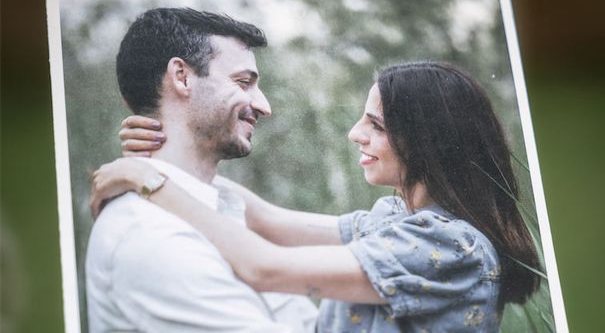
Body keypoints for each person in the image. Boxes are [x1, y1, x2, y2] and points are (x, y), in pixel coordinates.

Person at [92, 60, 542, 332]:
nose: (355, 134)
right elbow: (266, 220)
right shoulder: (396, 218)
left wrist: (149, 182)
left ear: (428, 141)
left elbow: (265, 267)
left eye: (377, 126)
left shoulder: (447, 244)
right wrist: (172, 148)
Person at [85, 7, 318, 333]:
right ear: (181, 76)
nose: (264, 106)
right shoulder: (154, 238)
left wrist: (150, 177)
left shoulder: (215, 208)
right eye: (243, 82)